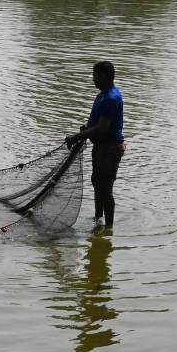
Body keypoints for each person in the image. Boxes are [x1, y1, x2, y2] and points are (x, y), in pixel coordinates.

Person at [65, 61, 124, 228]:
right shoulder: (104, 94)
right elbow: (99, 123)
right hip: (101, 147)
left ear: (103, 77)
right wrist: (88, 126)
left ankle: (109, 227)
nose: (93, 79)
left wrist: (77, 136)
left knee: (105, 189)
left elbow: (102, 128)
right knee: (97, 184)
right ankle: (98, 221)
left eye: (95, 76)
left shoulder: (111, 98)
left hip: (109, 149)